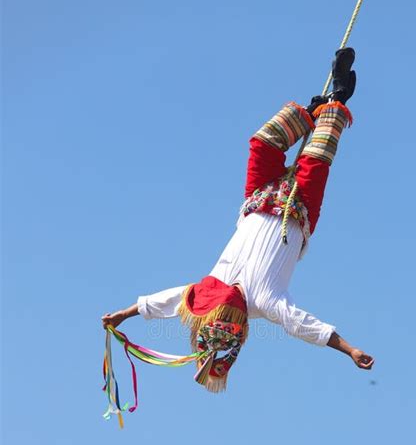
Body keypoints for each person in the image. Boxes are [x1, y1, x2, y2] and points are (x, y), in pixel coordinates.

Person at [102, 48, 374, 393]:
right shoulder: (266, 302)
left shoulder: (205, 292)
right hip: (299, 208)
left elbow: (163, 301)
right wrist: (349, 349)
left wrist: (124, 315)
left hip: (258, 197)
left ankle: (310, 110)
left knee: (263, 144)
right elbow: (305, 326)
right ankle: (337, 96)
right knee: (316, 158)